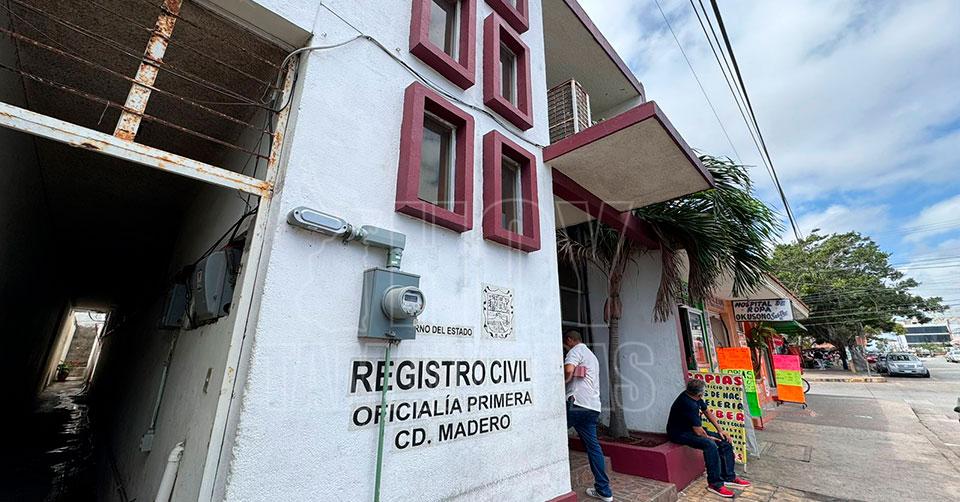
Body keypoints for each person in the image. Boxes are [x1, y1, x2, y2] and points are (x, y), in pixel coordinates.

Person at [666, 379, 751, 498]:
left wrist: (720, 430)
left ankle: (728, 477)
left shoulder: (695, 397)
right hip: (679, 433)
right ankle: (715, 484)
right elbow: (698, 431)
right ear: (700, 394)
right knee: (710, 445)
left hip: (691, 429)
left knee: (724, 440)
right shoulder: (688, 404)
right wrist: (709, 437)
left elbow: (706, 411)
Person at [563, 330, 613, 502]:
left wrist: (561, 381)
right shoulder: (592, 356)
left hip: (577, 404)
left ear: (570, 340)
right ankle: (604, 491)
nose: (566, 348)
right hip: (592, 407)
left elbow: (568, 369)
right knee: (593, 447)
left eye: (566, 345)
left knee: (553, 436)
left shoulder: (575, 351)